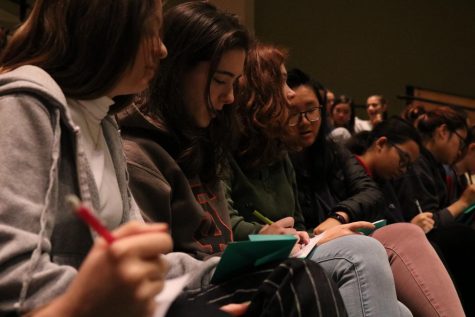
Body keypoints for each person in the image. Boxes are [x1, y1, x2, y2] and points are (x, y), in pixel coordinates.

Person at [118, 2, 347, 316]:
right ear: (176, 70)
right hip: (176, 294)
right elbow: (153, 270)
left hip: (215, 276)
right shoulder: (137, 153)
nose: (229, 98)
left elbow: (221, 243)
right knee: (299, 277)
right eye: (220, 81)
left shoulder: (207, 143)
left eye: (234, 84)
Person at [0, 0, 185, 316]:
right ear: (106, 30)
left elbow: (133, 262)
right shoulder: (22, 105)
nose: (163, 50)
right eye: (152, 31)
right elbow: (17, 285)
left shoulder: (105, 121)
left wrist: (223, 268)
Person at [226, 44, 412, 317]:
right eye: (281, 82)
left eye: (312, 110)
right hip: (259, 260)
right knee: (364, 251)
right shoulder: (224, 150)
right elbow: (223, 223)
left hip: (297, 251)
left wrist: (330, 224)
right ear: (258, 91)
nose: (289, 94)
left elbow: (301, 222)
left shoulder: (297, 153)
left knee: (403, 311)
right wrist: (269, 233)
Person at [285, 69, 464, 317]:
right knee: (378, 248)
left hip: (333, 235)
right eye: (294, 112)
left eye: (312, 110)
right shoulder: (275, 156)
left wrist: (338, 216)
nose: (305, 120)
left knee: (403, 305)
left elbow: (369, 192)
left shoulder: (333, 152)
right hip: (307, 247)